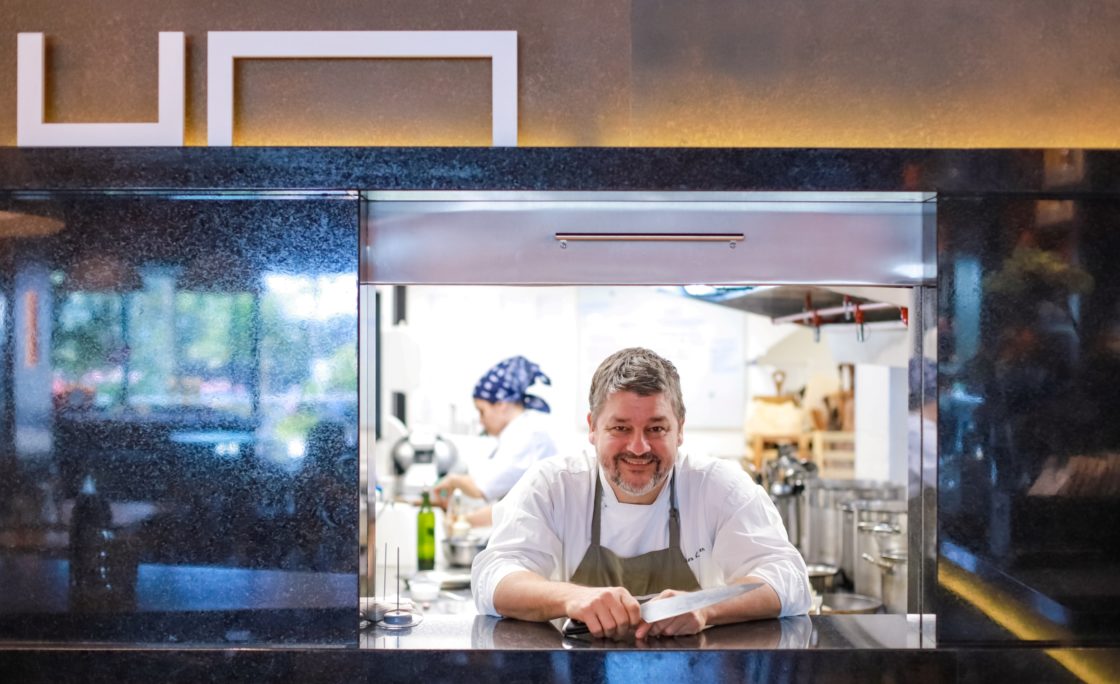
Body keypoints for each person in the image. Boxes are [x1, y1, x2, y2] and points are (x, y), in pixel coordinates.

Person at [471, 347, 811, 640]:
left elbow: (789, 580)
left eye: (656, 428)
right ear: (592, 427)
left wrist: (708, 609)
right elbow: (493, 578)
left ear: (680, 429)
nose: (638, 446)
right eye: (620, 428)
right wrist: (571, 598)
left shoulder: (719, 487)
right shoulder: (554, 485)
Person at [432, 355, 559, 527]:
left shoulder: (527, 435)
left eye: (482, 411)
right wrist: (463, 521)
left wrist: (453, 481)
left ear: (501, 405)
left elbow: (481, 488)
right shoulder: (519, 432)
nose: (481, 421)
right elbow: (507, 506)